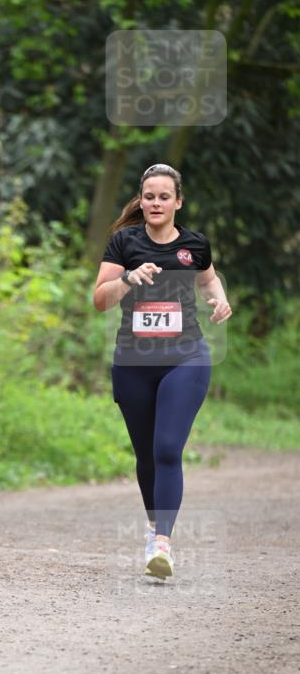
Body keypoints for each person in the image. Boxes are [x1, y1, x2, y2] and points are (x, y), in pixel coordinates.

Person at [93, 163, 231, 580]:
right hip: (133, 363)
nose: (156, 203)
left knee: (167, 448)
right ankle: (154, 526)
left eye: (164, 196)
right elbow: (100, 299)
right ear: (142, 200)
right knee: (146, 455)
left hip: (185, 356)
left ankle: (163, 544)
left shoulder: (194, 244)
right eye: (149, 196)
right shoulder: (124, 242)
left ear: (178, 202)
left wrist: (219, 299)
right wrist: (129, 280)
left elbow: (207, 280)